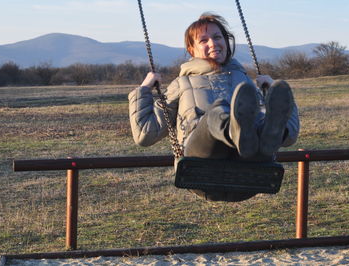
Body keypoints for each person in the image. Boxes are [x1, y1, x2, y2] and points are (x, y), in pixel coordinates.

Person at [128, 13, 300, 201]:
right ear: (192, 49)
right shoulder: (182, 83)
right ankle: (236, 133)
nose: (213, 43)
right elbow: (145, 134)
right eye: (203, 40)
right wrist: (144, 89)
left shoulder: (246, 83)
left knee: (261, 121)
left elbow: (290, 135)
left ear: (226, 41)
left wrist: (272, 91)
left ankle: (261, 137)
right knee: (217, 112)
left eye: (218, 37)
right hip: (202, 169)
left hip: (250, 174)